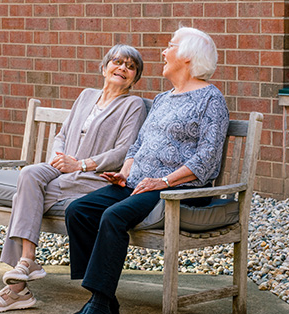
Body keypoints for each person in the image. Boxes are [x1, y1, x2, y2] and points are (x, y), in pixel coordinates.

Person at [65, 27, 230, 314]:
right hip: (139, 184)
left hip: (178, 189)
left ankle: (100, 304)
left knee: (113, 216)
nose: (163, 52)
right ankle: (103, 296)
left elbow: (208, 158)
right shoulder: (164, 99)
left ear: (189, 57)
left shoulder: (210, 99)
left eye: (170, 46)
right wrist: (126, 172)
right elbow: (139, 144)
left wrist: (163, 181)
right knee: (78, 210)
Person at [0, 44, 147, 313]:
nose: (122, 68)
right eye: (117, 62)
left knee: (24, 196)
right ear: (104, 68)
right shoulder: (86, 95)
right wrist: (59, 156)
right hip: (63, 167)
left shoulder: (133, 105)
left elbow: (124, 151)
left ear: (135, 79)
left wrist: (80, 164)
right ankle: (27, 264)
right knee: (30, 173)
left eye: (130, 66)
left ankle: (18, 286)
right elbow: (63, 134)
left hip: (93, 176)